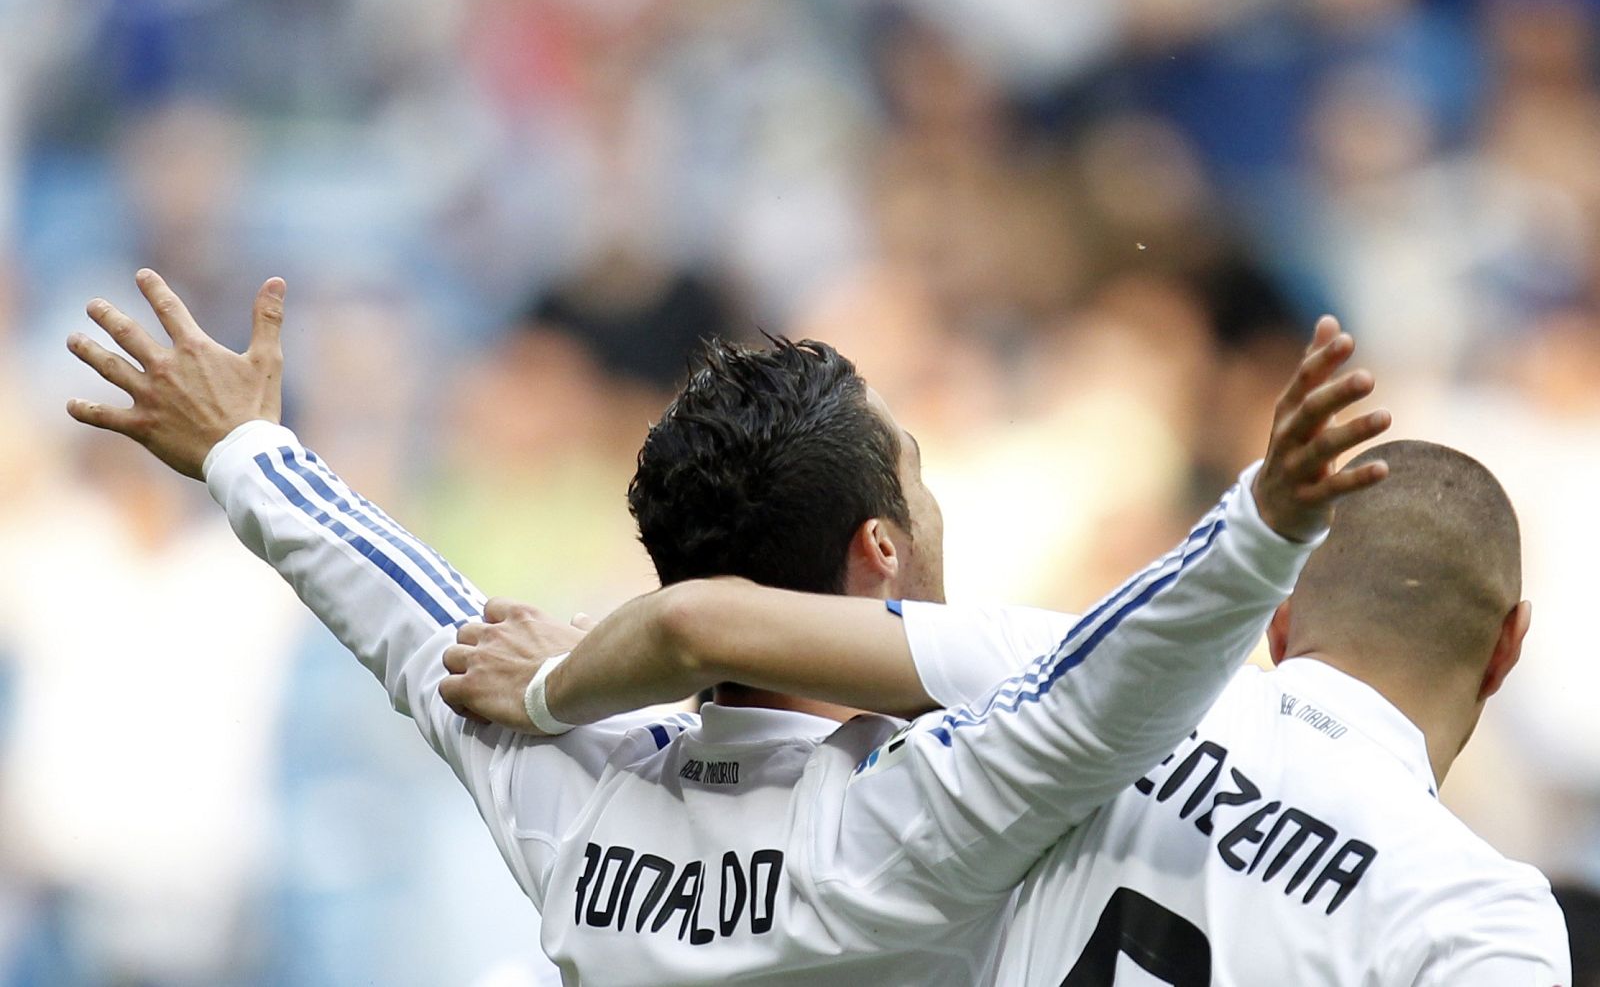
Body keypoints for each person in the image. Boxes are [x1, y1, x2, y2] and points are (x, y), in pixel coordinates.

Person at [66, 269, 1388, 984]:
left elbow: (401, 603)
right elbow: (1121, 675)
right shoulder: (913, 819)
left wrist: (245, 449)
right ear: (881, 550)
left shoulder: (572, 789)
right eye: (917, 479)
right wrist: (1267, 515)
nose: (935, 506)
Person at [455, 448, 1573, 982]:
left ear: (1276, 624)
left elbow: (708, 623)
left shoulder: (1077, 675)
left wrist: (564, 674)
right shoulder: (1485, 910)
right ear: (1507, 646)